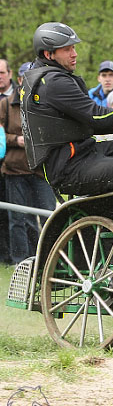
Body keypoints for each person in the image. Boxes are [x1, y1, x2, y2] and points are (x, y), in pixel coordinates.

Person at [21, 22, 113, 196]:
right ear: (48, 54)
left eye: (74, 48)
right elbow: (96, 116)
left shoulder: (43, 76)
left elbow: (75, 123)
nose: (74, 54)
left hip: (81, 152)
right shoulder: (54, 82)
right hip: (68, 166)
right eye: (67, 50)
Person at [0, 62, 56, 264]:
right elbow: (0, 136)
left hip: (41, 170)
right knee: (17, 218)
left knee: (50, 216)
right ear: (19, 79)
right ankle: (21, 262)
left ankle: (51, 260)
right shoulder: (6, 104)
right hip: (15, 170)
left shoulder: (45, 103)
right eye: (24, 77)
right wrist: (16, 140)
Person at [0, 59, 14, 264]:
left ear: (10, 74)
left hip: (11, 163)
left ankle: (10, 254)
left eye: (2, 72)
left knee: (11, 213)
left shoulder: (15, 99)